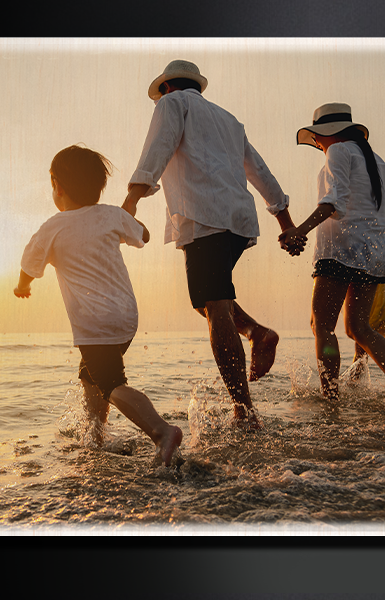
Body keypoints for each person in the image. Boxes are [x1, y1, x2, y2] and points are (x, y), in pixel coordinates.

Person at [123, 59, 294, 430]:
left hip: (204, 217)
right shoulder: (229, 120)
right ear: (196, 85)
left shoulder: (172, 105)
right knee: (208, 298)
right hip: (236, 220)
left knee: (214, 306)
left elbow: (158, 149)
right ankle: (256, 333)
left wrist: (131, 202)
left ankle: (244, 411)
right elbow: (259, 170)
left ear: (167, 87)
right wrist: (285, 220)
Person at [15, 145, 182, 467]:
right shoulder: (111, 214)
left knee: (110, 383)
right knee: (91, 375)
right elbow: (142, 235)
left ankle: (161, 430)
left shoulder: (52, 227)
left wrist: (21, 287)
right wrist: (124, 221)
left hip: (95, 322)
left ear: (56, 185)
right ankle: (96, 437)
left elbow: (29, 266)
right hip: (126, 318)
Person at [277, 103, 385, 407]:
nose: (317, 143)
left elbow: (334, 203)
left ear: (328, 134)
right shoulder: (376, 160)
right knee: (358, 327)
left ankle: (330, 396)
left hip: (342, 251)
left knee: (323, 326)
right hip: (373, 254)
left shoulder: (338, 152)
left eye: (318, 137)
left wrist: (299, 230)